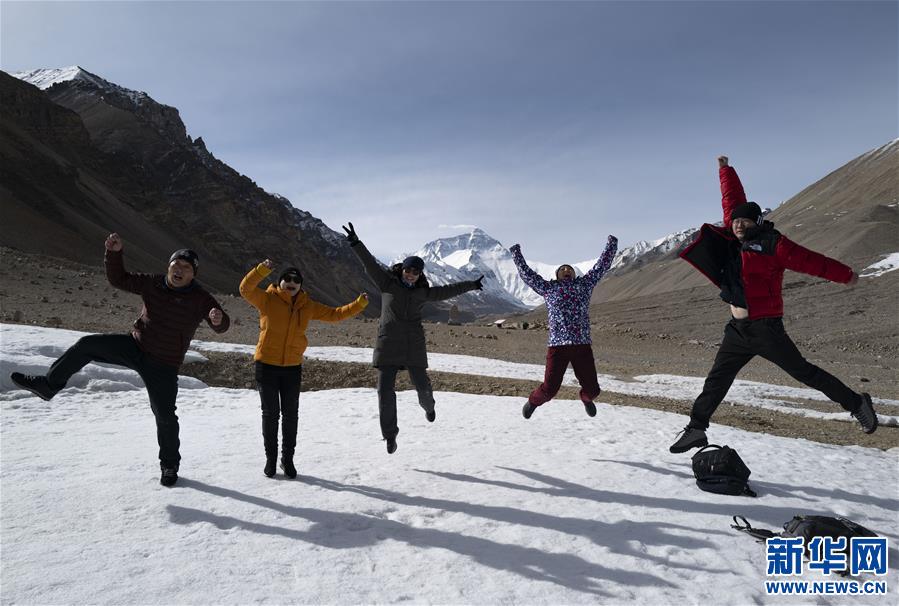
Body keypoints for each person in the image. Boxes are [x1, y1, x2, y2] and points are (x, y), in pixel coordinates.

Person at [669, 156, 878, 453]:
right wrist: (725, 170)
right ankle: (696, 429)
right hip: (737, 329)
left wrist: (845, 275)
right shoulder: (734, 236)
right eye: (735, 221)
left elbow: (811, 261)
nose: (738, 224)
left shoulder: (773, 244)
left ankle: (857, 403)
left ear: (757, 222)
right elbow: (733, 201)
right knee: (717, 380)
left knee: (804, 372)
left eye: (744, 221)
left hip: (765, 329)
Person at [9, 233, 230, 486]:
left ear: (193, 274)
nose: (179, 270)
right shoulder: (153, 283)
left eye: (186, 268)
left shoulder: (200, 298)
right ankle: (49, 385)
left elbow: (221, 325)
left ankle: (169, 465)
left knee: (165, 416)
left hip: (164, 364)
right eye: (175, 264)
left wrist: (217, 319)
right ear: (168, 266)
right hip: (135, 346)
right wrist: (114, 254)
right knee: (87, 345)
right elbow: (119, 279)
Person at [341, 222, 483, 454]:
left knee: (422, 386)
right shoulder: (387, 283)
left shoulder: (423, 292)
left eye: (416, 272)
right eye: (408, 270)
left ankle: (429, 407)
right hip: (388, 343)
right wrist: (356, 243)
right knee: (384, 391)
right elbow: (369, 264)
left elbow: (449, 290)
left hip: (413, 345)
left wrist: (472, 285)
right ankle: (390, 435)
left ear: (420, 275)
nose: (411, 275)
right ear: (402, 269)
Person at [239, 260, 368, 478]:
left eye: (296, 280)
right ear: (280, 281)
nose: (291, 282)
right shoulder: (267, 299)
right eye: (287, 279)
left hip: (292, 368)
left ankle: (287, 460)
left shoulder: (307, 306)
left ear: (301, 284)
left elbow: (335, 314)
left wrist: (359, 304)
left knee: (291, 415)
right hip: (266, 365)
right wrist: (261, 270)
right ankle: (270, 459)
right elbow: (245, 289)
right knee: (270, 414)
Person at [510, 235, 618, 419]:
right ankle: (533, 401)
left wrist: (612, 245)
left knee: (593, 390)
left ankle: (586, 399)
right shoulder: (548, 288)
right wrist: (516, 254)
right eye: (562, 269)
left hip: (581, 345)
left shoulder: (585, 285)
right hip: (557, 347)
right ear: (557, 275)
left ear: (574, 274)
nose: (566, 270)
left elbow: (601, 266)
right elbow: (528, 275)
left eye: (569, 269)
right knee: (549, 390)